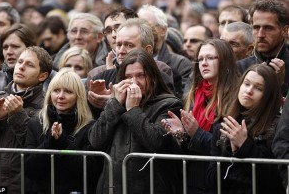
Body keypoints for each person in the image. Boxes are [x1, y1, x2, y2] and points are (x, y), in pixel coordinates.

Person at [88, 49, 183, 194]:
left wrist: (133, 109)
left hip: (151, 187)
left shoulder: (169, 104)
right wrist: (115, 105)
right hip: (113, 187)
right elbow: (95, 140)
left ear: (153, 77)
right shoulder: (117, 104)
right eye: (128, 77)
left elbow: (155, 142)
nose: (134, 82)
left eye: (141, 75)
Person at [161, 39, 240, 193]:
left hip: (222, 182)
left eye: (210, 58)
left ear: (225, 60)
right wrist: (181, 134)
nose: (204, 63)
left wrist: (196, 133)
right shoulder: (193, 94)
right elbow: (189, 148)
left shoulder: (236, 97)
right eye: (200, 59)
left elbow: (227, 148)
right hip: (193, 181)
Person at [207, 64, 285, 194]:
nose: (249, 91)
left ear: (268, 95)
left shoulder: (278, 127)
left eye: (259, 88)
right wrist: (230, 151)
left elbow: (276, 180)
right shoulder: (224, 125)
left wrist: (244, 146)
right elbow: (211, 181)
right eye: (246, 83)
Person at [0, 46, 53, 193]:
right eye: (20, 62)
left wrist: (18, 114)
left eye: (29, 65)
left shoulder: (48, 106)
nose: (21, 67)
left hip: (25, 186)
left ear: (42, 76)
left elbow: (39, 150)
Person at [25, 68, 98, 194]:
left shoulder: (90, 126)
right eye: (56, 90)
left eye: (68, 92)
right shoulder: (36, 123)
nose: (60, 96)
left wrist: (63, 143)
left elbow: (88, 171)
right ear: (49, 93)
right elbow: (30, 169)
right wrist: (50, 143)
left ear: (78, 96)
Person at [87, 18, 175, 117]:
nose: (121, 51)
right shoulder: (101, 79)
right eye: (118, 44)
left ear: (147, 50)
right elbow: (93, 125)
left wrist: (115, 103)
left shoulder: (160, 76)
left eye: (129, 45)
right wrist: (95, 103)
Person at [237, 0, 289, 97]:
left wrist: (280, 85)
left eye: (268, 28)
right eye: (256, 27)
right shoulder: (240, 67)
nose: (260, 35)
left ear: (284, 31)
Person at [138, 4, 192, 96]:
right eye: (138, 27)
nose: (141, 32)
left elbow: (182, 100)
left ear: (163, 30)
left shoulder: (181, 64)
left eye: (147, 27)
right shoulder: (127, 60)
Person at [0, 23, 56, 93]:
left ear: (30, 48)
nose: (8, 52)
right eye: (5, 47)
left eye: (15, 46)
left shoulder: (54, 80)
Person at [87, 6, 138, 79]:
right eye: (108, 31)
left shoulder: (158, 68)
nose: (113, 35)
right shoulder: (95, 74)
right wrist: (110, 75)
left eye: (118, 28)